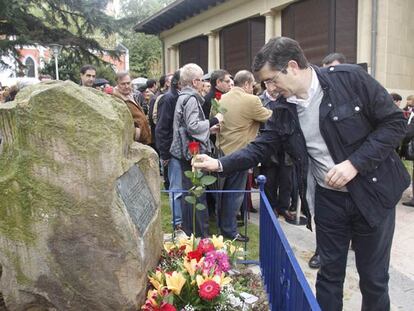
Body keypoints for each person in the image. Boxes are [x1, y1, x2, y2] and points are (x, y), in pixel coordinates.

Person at [194, 37, 409, 311]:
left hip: (373, 193)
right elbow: (262, 146)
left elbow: (393, 124)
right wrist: (219, 164)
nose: (269, 89)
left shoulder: (351, 79)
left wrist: (354, 163)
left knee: (374, 279)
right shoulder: (283, 109)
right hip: (329, 200)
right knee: (329, 275)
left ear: (292, 67)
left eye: (272, 80)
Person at [215, 70, 272, 242]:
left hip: (223, 149)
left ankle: (224, 225)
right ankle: (230, 231)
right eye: (252, 84)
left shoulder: (223, 98)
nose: (254, 88)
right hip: (240, 152)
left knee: (225, 193)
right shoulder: (252, 100)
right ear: (246, 84)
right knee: (235, 193)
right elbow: (270, 117)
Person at [170, 63, 223, 238]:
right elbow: (192, 126)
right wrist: (214, 120)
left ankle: (190, 231)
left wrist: (208, 129)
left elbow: (186, 125)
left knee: (190, 193)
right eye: (201, 80)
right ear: (194, 82)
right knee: (196, 194)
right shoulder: (191, 98)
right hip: (192, 154)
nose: (203, 83)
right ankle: (201, 235)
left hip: (185, 152)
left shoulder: (183, 96)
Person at [308, 51, 348, 270]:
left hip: (355, 180)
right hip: (323, 179)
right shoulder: (315, 99)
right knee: (321, 215)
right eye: (325, 70)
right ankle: (320, 250)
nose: (328, 75)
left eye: (333, 69)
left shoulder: (354, 95)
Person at [155, 70, 184, 231]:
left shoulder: (181, 96)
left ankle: (183, 221)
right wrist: (165, 154)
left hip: (182, 150)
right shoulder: (169, 99)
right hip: (173, 151)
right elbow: (162, 128)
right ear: (179, 82)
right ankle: (177, 223)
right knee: (176, 189)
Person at [112, 71, 151, 145]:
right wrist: (136, 133)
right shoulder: (116, 100)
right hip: (134, 143)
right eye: (123, 84)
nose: (126, 86)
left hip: (143, 141)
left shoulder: (131, 95)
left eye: (128, 83)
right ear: (117, 85)